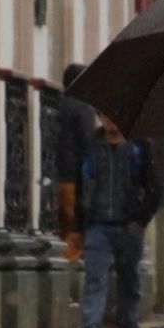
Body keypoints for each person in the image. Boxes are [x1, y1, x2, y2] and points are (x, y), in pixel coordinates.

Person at [77, 112, 159, 328]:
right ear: (99, 117)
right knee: (94, 278)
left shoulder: (139, 146)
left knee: (129, 281)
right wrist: (80, 221)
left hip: (128, 225)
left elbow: (154, 186)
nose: (111, 120)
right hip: (97, 225)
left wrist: (140, 220)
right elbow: (80, 181)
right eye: (105, 115)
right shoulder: (91, 145)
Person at [59, 63, 97, 260]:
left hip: (57, 172)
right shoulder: (83, 108)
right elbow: (88, 142)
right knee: (74, 224)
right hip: (74, 175)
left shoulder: (59, 103)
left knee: (63, 223)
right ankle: (72, 262)